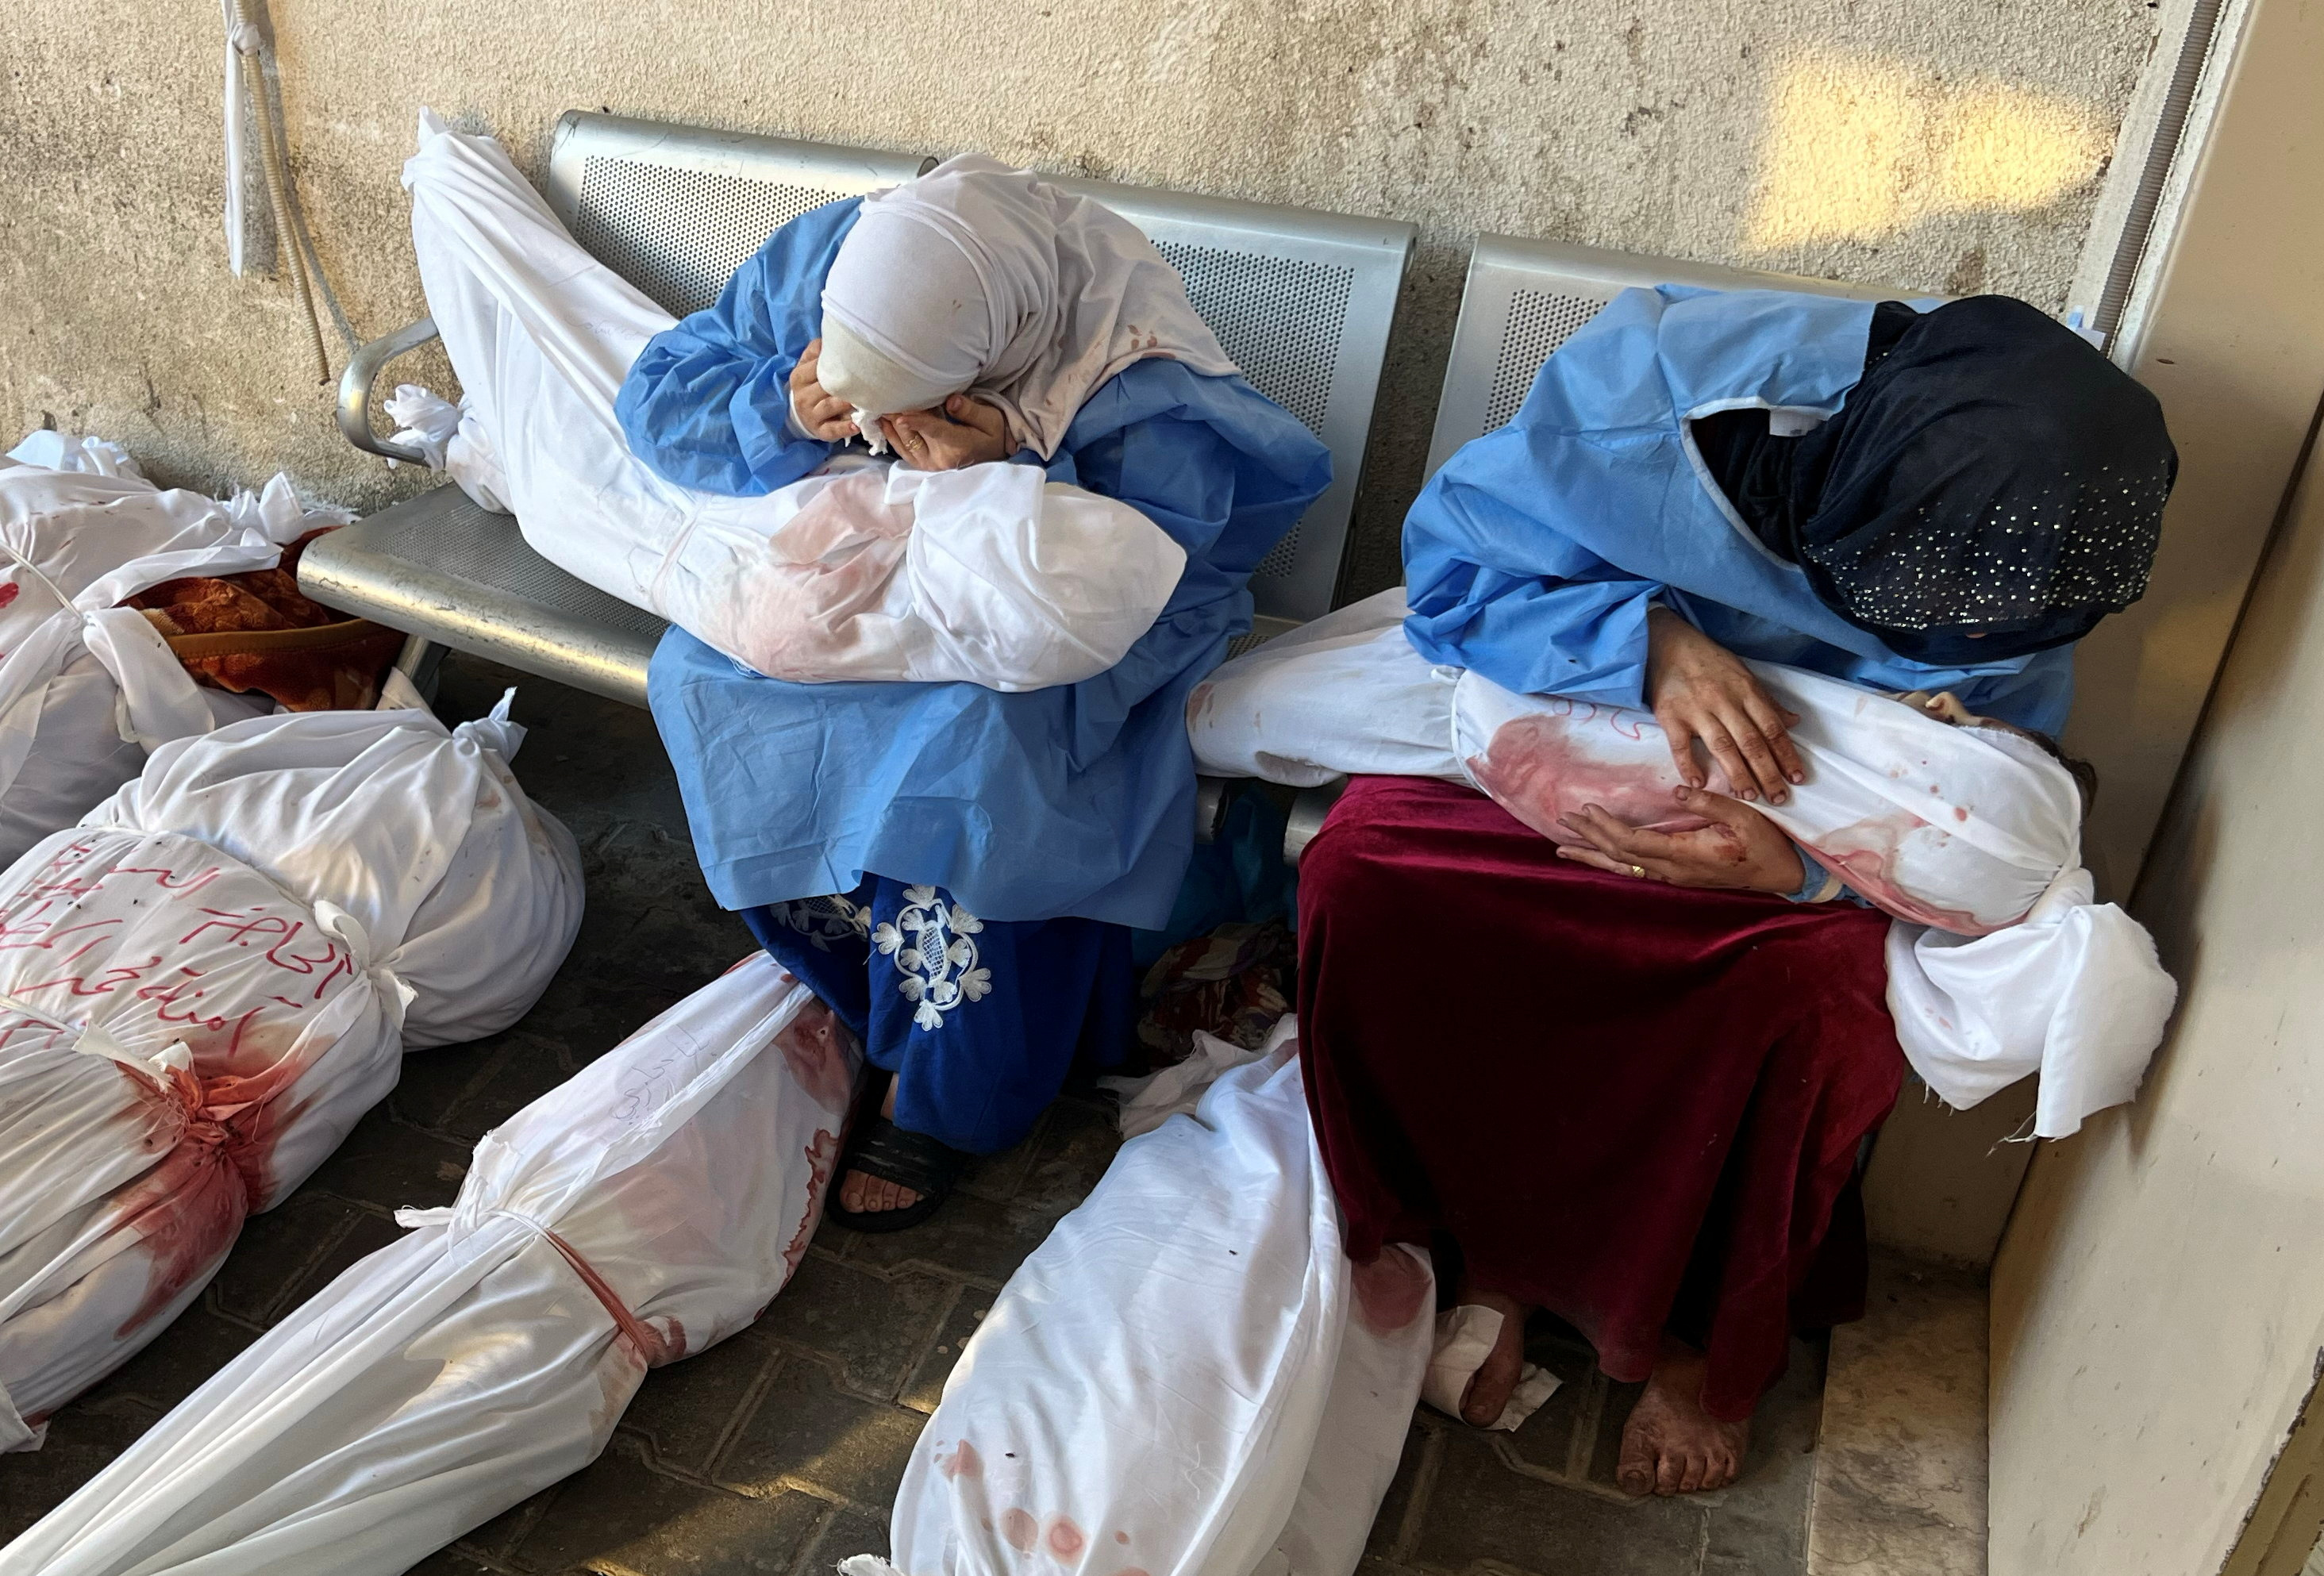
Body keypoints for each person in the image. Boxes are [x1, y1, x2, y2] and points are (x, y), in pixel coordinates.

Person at [1297, 288, 2172, 1493]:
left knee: (1819, 999)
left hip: (1781, 857)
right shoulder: (1654, 410)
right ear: (1857, 489)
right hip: (1571, 715)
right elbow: (1456, 577)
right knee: (1367, 874)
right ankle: (1481, 1247)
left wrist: (1803, 872)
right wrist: (1649, 642)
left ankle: (1699, 1338)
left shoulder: (2032, 543)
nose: (1955, 648)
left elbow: (1975, 798)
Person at [615, 156, 1332, 1232]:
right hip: (868, 572)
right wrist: (786, 407)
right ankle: (865, 994)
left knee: (984, 744)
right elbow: (660, 397)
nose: (879, 425)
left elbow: (1170, 564)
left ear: (985, 363)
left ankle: (951, 1090)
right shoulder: (834, 265)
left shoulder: (1125, 361)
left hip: (1080, 628)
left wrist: (1018, 460)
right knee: (710, 674)